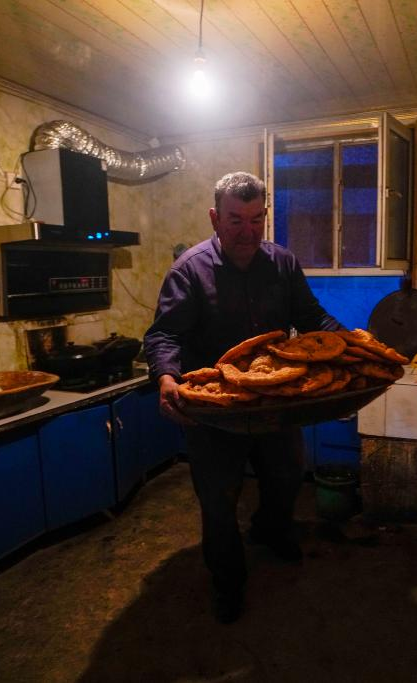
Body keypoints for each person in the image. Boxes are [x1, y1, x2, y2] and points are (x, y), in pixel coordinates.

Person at [144, 171, 342, 624]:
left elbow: (311, 318)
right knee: (218, 498)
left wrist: (350, 343)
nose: (247, 231)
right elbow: (164, 335)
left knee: (287, 475)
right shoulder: (189, 270)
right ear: (215, 218)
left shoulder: (283, 263)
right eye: (235, 220)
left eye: (256, 219)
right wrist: (166, 376)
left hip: (274, 402)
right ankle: (227, 580)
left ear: (265, 215)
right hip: (216, 409)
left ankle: (271, 531)